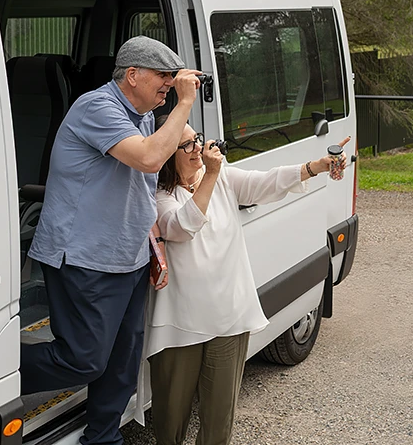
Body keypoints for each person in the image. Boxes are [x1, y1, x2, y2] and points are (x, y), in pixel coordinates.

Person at [23, 36, 202, 445]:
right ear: (132, 75)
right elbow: (151, 158)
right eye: (164, 76)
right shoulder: (96, 107)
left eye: (174, 79)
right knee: (83, 360)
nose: (170, 85)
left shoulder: (142, 113)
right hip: (85, 259)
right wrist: (185, 104)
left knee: (121, 363)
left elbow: (138, 188)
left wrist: (153, 240)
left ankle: (102, 438)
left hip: (129, 257)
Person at [145, 126, 350, 445]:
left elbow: (264, 182)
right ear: (167, 155)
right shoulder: (160, 198)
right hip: (180, 326)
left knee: (219, 422)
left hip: (229, 317)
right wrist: (212, 174)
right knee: (169, 421)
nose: (198, 148)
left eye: (197, 139)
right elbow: (184, 225)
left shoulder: (221, 177)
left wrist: (315, 166)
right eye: (187, 145)